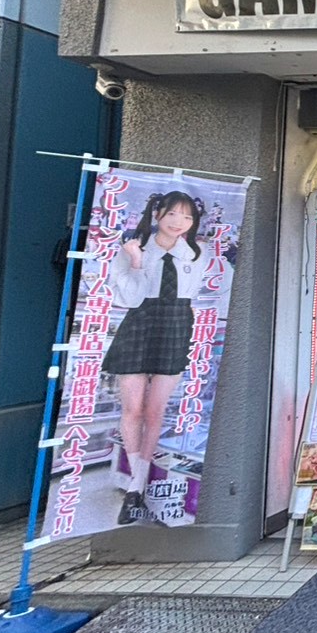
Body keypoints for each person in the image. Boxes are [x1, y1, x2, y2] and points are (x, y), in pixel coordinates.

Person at [104, 190, 210, 527]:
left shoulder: (196, 253)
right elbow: (130, 298)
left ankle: (136, 485)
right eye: (173, 214)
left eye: (187, 217)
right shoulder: (132, 247)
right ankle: (137, 485)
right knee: (132, 409)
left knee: (154, 410)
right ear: (157, 213)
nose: (179, 222)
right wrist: (136, 261)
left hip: (176, 324)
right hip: (140, 321)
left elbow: (193, 294)